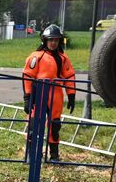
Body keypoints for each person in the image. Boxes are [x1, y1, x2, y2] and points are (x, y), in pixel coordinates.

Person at [22, 24, 77, 160]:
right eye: (51, 40)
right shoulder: (36, 57)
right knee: (35, 124)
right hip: (39, 94)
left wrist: (71, 95)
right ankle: (31, 154)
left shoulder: (63, 58)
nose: (53, 43)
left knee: (55, 125)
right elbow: (27, 76)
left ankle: (53, 155)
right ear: (45, 40)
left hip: (56, 95)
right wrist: (27, 98)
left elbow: (69, 76)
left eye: (56, 40)